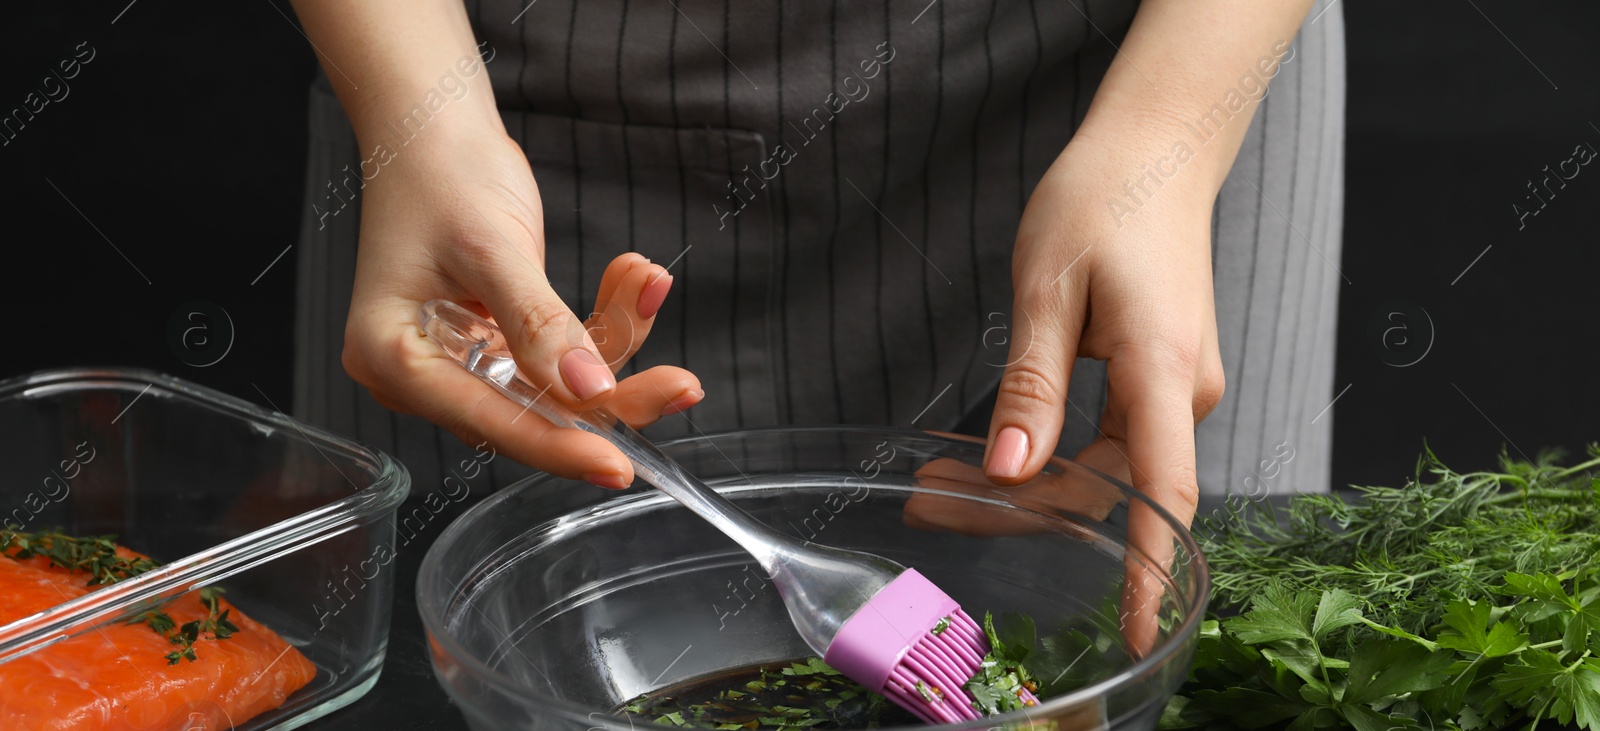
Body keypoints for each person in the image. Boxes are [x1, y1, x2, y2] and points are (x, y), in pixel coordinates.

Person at [287, 0, 1343, 531]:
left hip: (1159, 64)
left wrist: (1166, 138)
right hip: (467, 80)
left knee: (1200, 723)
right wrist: (419, 124)